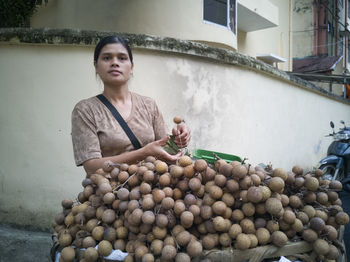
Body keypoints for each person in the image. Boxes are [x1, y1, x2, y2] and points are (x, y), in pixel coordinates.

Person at [71, 36, 191, 175]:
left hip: (154, 190)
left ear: (132, 67)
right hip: (108, 192)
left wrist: (180, 137)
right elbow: (91, 167)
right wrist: (143, 153)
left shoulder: (148, 105)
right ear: (96, 66)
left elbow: (165, 148)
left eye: (122, 58)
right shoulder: (85, 110)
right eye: (107, 58)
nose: (115, 63)